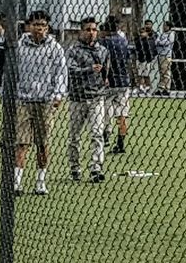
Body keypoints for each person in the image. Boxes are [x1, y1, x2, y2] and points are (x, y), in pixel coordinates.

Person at [13, 10, 66, 196]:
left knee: (43, 143)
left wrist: (58, 94)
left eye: (43, 25)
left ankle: (40, 181)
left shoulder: (55, 48)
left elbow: (61, 73)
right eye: (36, 25)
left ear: (48, 28)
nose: (40, 29)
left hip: (45, 100)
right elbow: (12, 72)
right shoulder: (20, 46)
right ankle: (17, 182)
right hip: (24, 99)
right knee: (22, 141)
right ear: (29, 26)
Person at [66, 17, 108, 183]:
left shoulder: (103, 51)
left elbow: (106, 72)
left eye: (94, 30)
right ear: (81, 31)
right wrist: (88, 69)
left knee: (97, 133)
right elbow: (70, 70)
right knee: (74, 136)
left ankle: (96, 168)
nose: (91, 33)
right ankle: (74, 167)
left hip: (97, 96)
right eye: (88, 29)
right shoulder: (73, 50)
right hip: (78, 97)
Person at [100, 17, 133, 155]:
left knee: (105, 110)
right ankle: (120, 143)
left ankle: (106, 135)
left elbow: (102, 61)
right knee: (122, 114)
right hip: (123, 81)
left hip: (110, 81)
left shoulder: (104, 43)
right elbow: (128, 59)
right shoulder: (123, 41)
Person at [133, 25, 158, 95]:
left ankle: (149, 87)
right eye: (140, 33)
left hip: (147, 60)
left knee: (146, 75)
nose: (141, 34)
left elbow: (152, 51)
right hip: (140, 58)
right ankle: (141, 87)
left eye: (143, 32)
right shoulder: (139, 40)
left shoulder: (150, 40)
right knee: (140, 74)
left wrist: (149, 59)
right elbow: (137, 47)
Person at [154, 22, 175, 96]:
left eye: (165, 26)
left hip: (167, 55)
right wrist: (160, 42)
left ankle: (166, 88)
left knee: (166, 72)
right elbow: (156, 41)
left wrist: (160, 42)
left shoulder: (171, 34)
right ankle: (162, 88)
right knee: (161, 72)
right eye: (163, 26)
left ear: (169, 27)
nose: (164, 27)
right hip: (160, 54)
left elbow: (166, 43)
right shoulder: (162, 34)